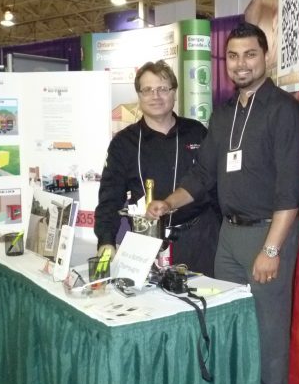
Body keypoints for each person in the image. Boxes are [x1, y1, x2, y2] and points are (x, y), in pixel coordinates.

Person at [147, 22, 299, 384]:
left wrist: (271, 251)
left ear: (265, 57)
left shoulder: (285, 112)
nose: (241, 64)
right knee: (229, 328)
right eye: (233, 56)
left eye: (250, 54)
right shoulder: (222, 116)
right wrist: (168, 203)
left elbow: (291, 191)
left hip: (269, 235)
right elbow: (203, 175)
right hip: (229, 237)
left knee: (269, 338)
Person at [94, 60, 220, 276]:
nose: (156, 96)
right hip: (146, 244)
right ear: (139, 96)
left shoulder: (197, 132)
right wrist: (106, 241)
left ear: (174, 93)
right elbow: (109, 198)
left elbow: (214, 185)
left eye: (162, 89)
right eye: (147, 90)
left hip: (200, 240)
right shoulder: (124, 143)